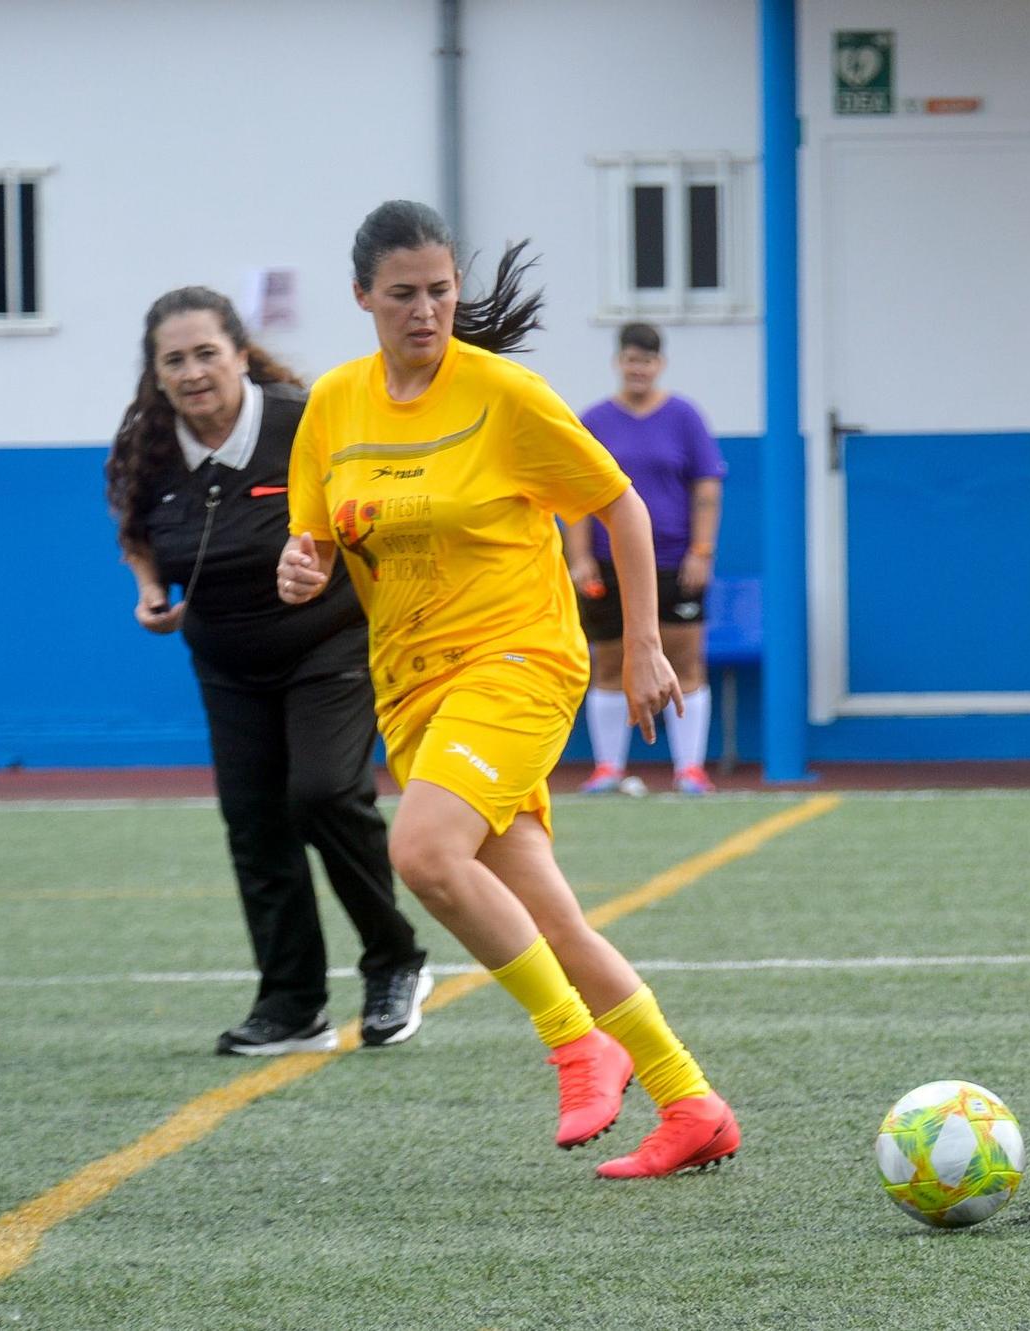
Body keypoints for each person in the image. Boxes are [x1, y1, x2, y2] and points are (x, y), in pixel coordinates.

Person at [275, 201, 740, 1178]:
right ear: (362, 296)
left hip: (519, 660)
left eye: (440, 290)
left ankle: (577, 1043)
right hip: (413, 692)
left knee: (422, 851)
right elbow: (315, 535)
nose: (425, 310)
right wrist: (300, 563)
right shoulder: (334, 405)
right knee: (549, 914)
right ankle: (690, 1100)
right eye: (401, 294)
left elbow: (614, 501)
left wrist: (644, 644)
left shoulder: (502, 394)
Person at [104, 286, 431, 1057]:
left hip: (332, 643)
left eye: (206, 353)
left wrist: (329, 561)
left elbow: (375, 505)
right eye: (173, 360)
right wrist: (151, 591)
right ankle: (291, 1004)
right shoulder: (149, 445)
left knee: (321, 793)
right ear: (156, 373)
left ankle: (394, 959)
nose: (192, 372)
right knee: (255, 827)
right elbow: (138, 532)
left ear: (240, 354)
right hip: (225, 660)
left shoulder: (305, 420)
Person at [567, 323, 727, 795]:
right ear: (618, 363)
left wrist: (701, 551)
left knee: (685, 656)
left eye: (647, 360)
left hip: (674, 559)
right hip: (608, 561)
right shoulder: (594, 420)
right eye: (631, 359)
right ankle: (608, 769)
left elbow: (707, 488)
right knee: (611, 660)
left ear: (660, 365)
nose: (638, 368)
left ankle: (689, 770)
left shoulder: (685, 417)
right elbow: (574, 495)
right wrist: (579, 557)